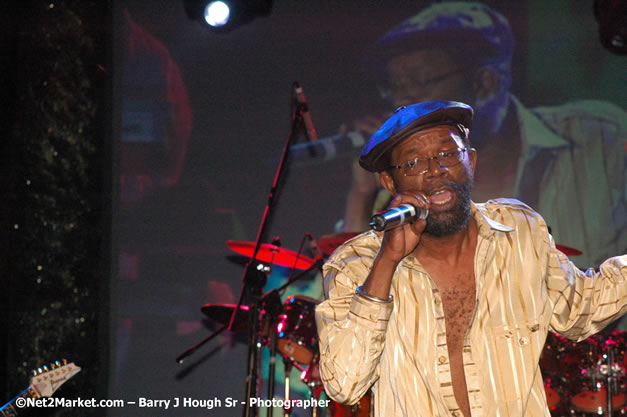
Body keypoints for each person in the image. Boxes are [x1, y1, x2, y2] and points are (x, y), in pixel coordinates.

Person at [316, 101, 627, 417]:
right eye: (413, 163)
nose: (435, 169)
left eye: (448, 154)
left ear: (471, 161)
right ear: (389, 182)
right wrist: (386, 262)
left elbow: (581, 307)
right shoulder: (355, 265)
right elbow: (345, 383)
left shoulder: (519, 231)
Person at [342, 2, 626, 269]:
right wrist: (362, 194)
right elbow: (342, 295)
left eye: (420, 81)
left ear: (485, 83)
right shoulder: (403, 193)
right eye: (396, 86)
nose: (403, 100)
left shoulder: (600, 134)